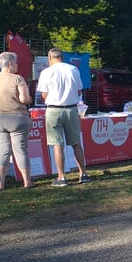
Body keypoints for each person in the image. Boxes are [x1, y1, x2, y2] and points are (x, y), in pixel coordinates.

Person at [36, 48, 91, 187]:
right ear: (62, 57)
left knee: (57, 144)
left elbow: (43, 95)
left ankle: (61, 177)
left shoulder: (46, 72)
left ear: (50, 58)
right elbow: (79, 90)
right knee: (76, 143)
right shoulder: (73, 70)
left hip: (53, 110)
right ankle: (83, 174)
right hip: (72, 109)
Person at [0, 52, 34, 190]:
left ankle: (0, 183)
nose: (17, 65)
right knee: (20, 150)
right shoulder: (17, 79)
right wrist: (30, 99)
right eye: (16, 62)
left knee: (3, 150)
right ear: (10, 64)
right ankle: (27, 181)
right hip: (17, 117)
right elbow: (24, 99)